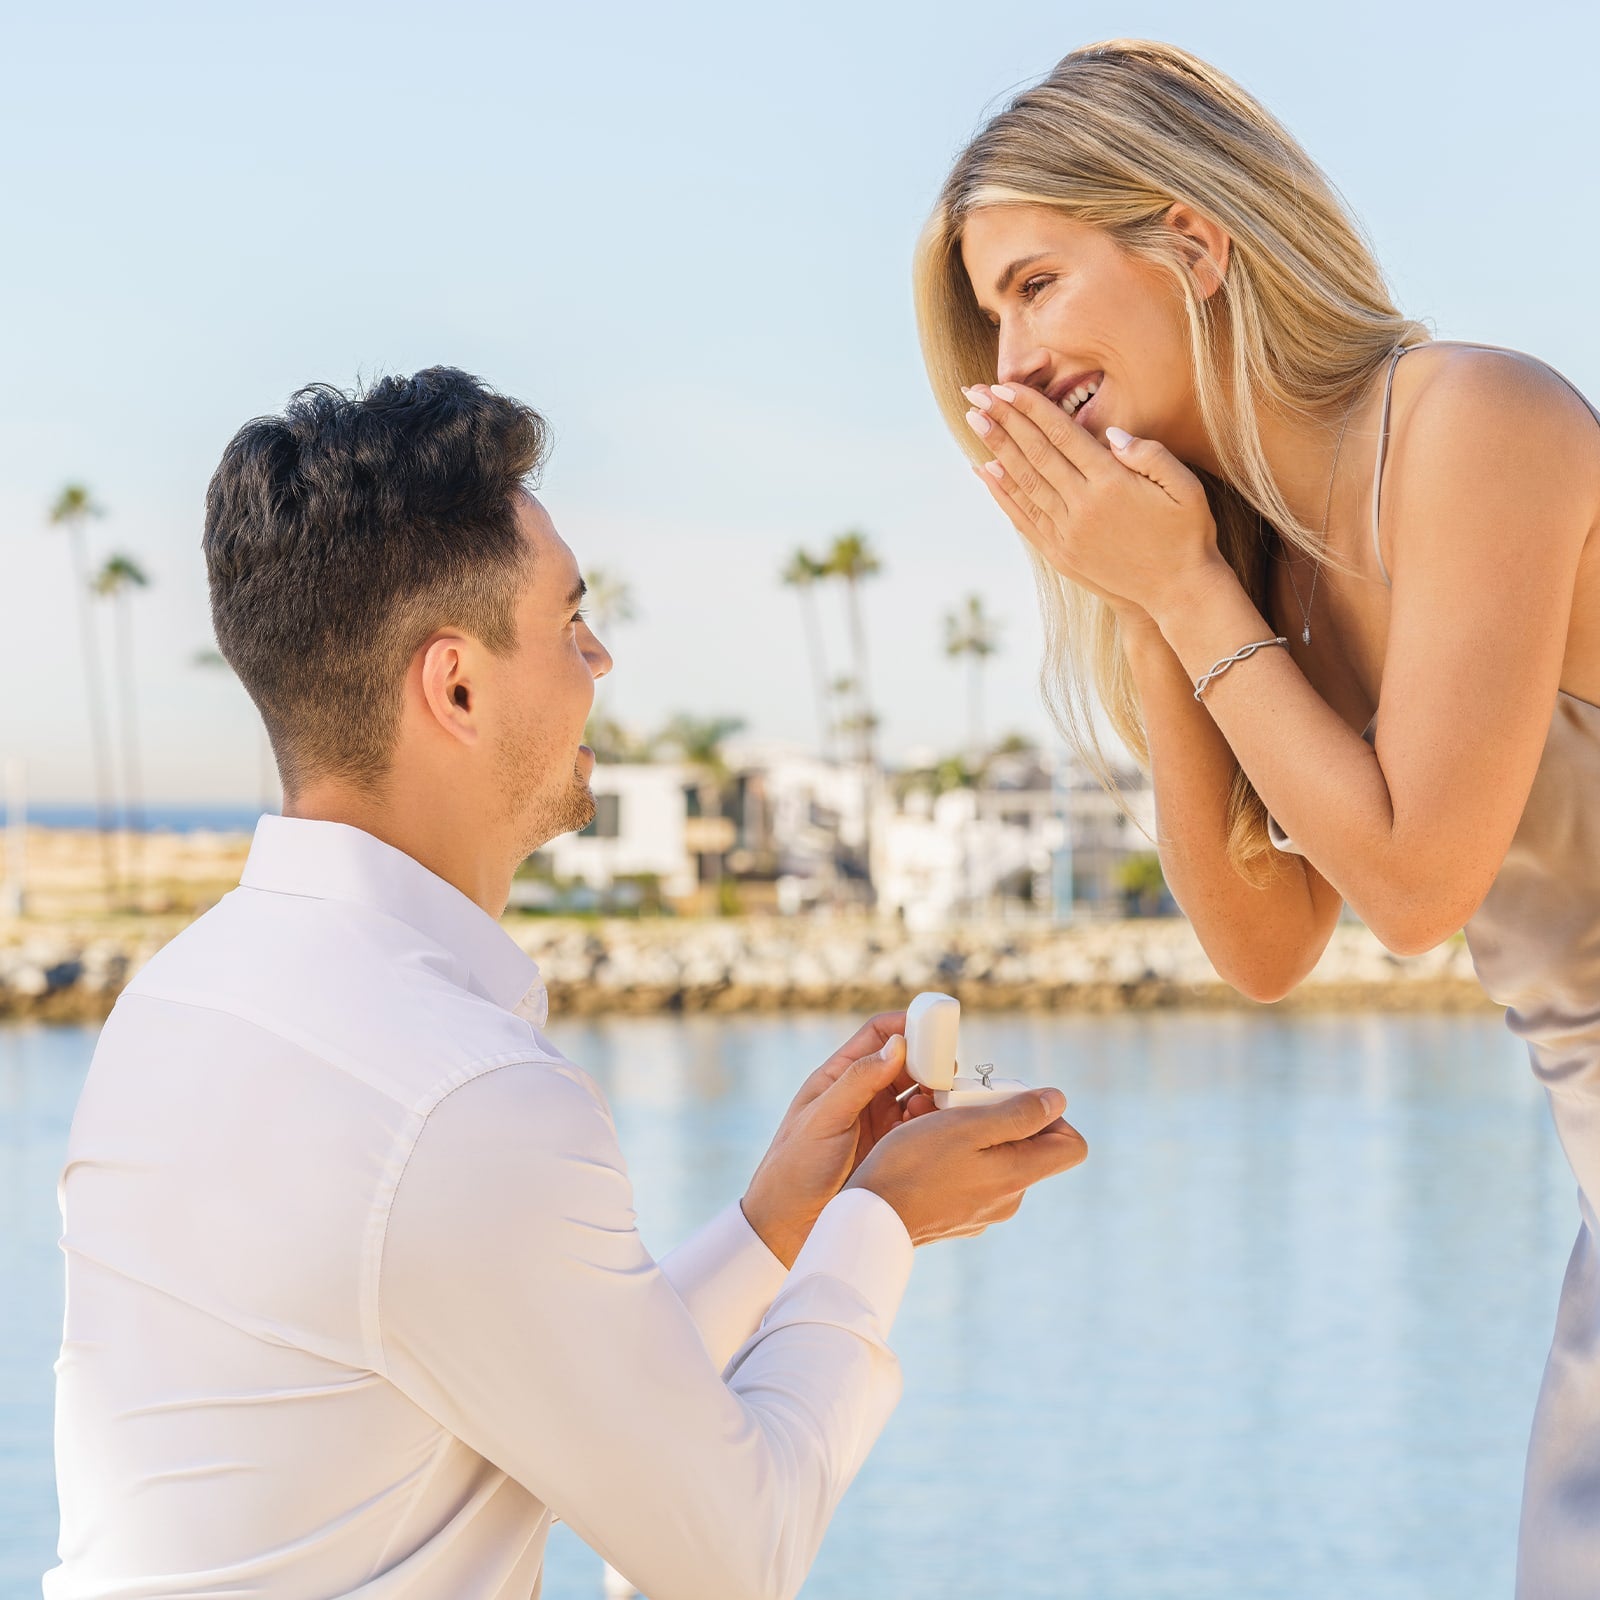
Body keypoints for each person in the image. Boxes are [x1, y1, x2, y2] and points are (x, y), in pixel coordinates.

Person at [47, 369, 1088, 1600]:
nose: (600, 657)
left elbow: (533, 1375)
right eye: (569, 621)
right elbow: (734, 1552)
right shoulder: (460, 1091)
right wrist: (880, 1222)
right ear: (458, 686)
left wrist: (779, 1223)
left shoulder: (179, 1000)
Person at [913, 37, 1600, 1599]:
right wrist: (1152, 596)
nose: (1007, 367)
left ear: (1196, 243)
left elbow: (1417, 887)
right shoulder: (1245, 569)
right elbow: (1268, 945)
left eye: (1033, 286)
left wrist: (1173, 582)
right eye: (986, 317)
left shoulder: (1473, 420)